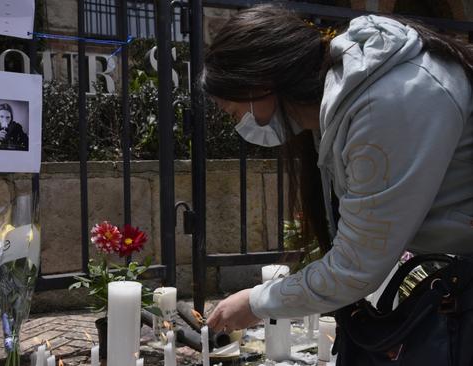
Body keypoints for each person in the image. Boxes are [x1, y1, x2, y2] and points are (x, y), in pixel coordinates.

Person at [202, 5, 473, 333]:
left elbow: (355, 267)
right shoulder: (339, 109)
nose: (236, 119)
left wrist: (255, 302)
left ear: (259, 83)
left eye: (232, 109)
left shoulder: (382, 107)